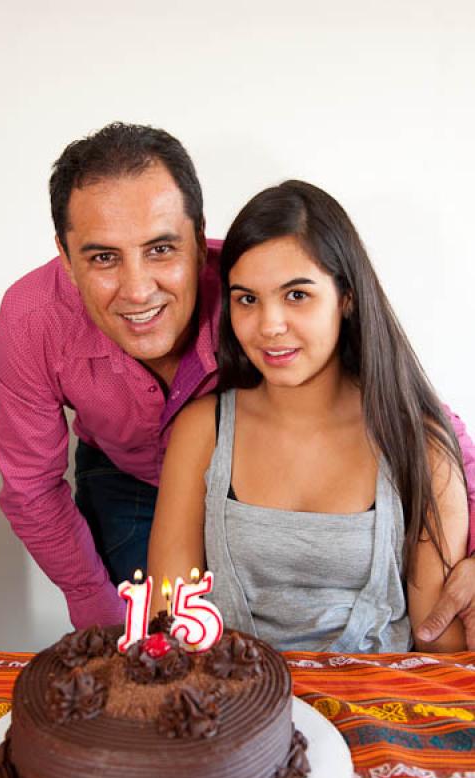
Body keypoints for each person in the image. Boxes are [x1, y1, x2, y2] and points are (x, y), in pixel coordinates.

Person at [0, 122, 475, 641]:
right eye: (104, 257)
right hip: (124, 471)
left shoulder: (256, 280)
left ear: (199, 242)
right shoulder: (30, 322)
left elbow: (418, 421)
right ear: (65, 256)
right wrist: (105, 619)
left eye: (160, 250)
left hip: (264, 476)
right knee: (148, 639)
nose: (137, 290)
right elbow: (31, 489)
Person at [148, 180, 469, 652]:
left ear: (347, 297)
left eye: (297, 295)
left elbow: (441, 646)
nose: (269, 325)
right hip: (227, 711)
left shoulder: (418, 440)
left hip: (377, 712)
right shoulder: (202, 430)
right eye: (247, 299)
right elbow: (167, 618)